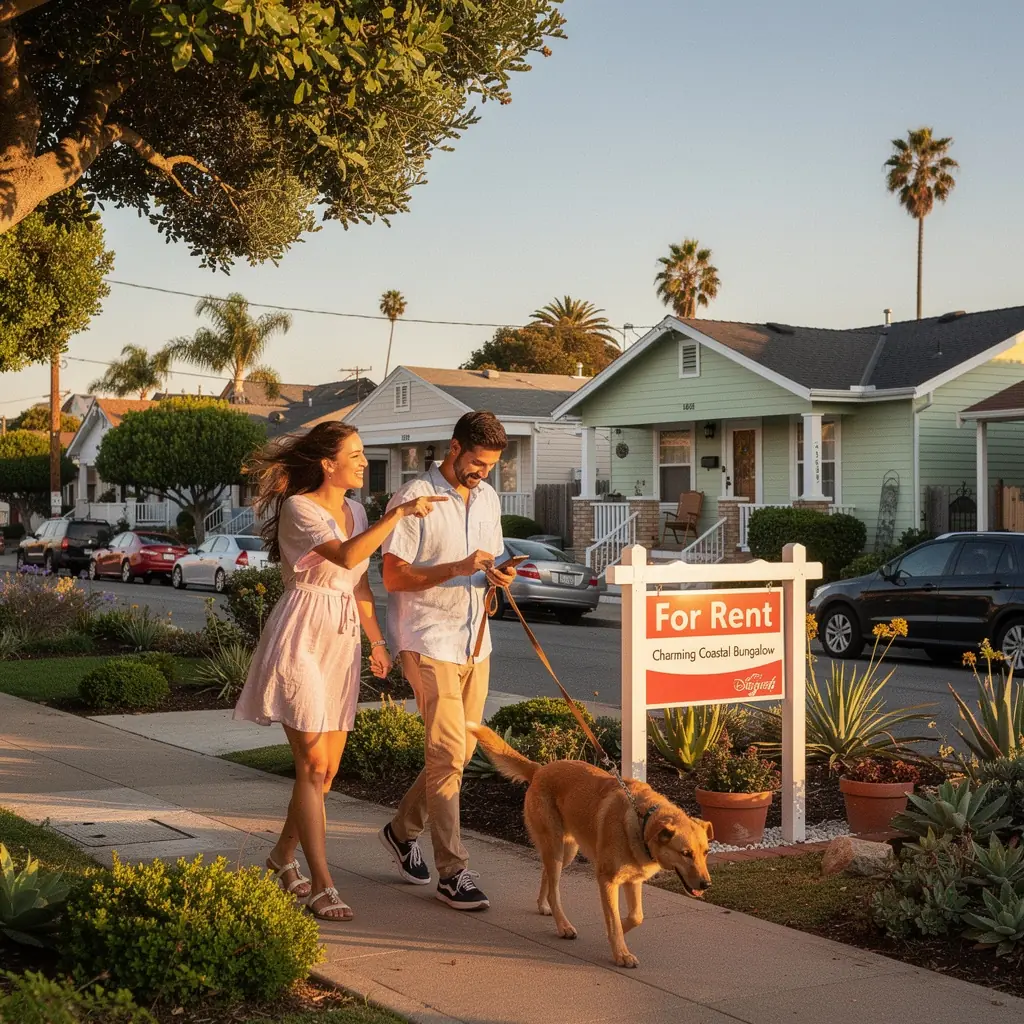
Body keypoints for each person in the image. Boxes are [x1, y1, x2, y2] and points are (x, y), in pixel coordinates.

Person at [234, 422, 445, 921]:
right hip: (302, 634)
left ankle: (282, 857)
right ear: (327, 464)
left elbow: (359, 580)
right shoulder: (300, 508)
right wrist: (396, 516)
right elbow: (347, 553)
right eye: (355, 453)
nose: (363, 461)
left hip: (343, 637)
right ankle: (321, 886)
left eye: (363, 452)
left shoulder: (355, 510)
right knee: (311, 766)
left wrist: (377, 641)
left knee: (325, 773)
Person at [378, 411, 516, 911]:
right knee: (446, 756)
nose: (484, 473)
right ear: (454, 449)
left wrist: (500, 577)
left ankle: (400, 831)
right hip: (426, 639)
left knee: (456, 753)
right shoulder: (416, 498)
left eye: (492, 465)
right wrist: (456, 568)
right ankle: (452, 872)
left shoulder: (488, 498)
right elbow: (393, 577)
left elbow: (491, 562)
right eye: (477, 462)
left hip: (475, 642)